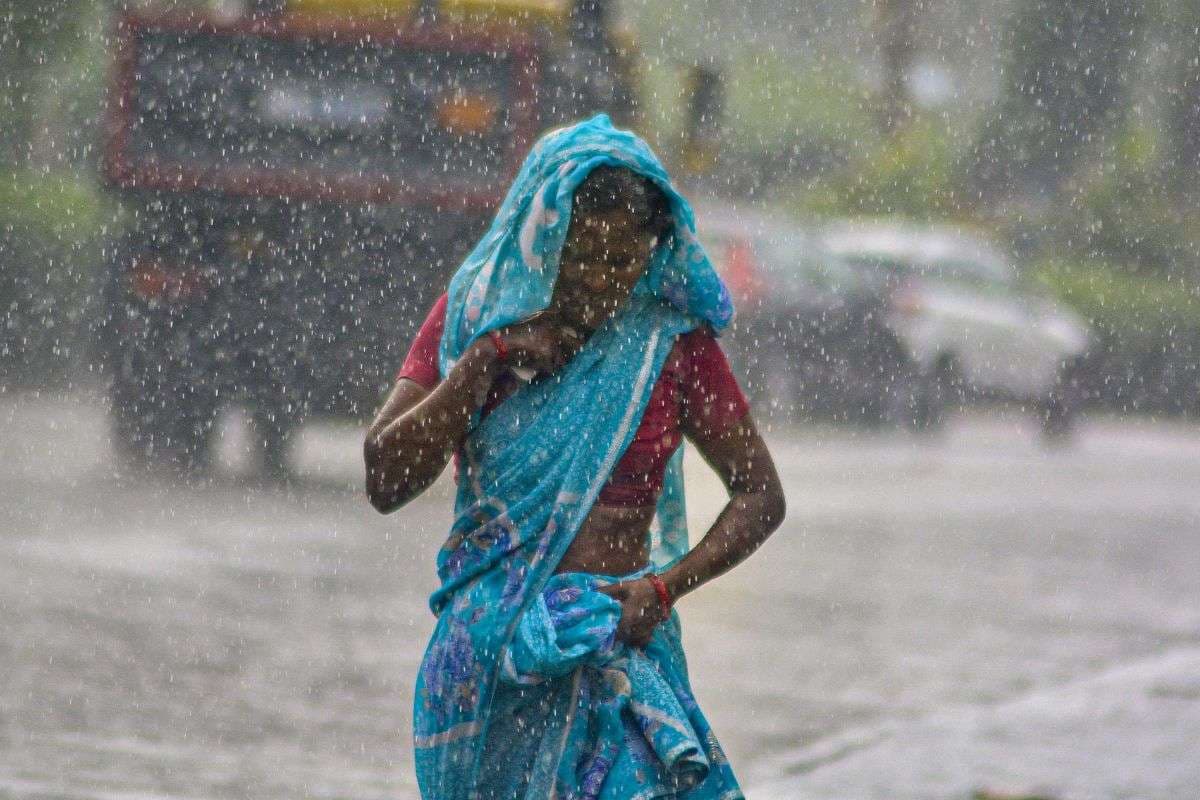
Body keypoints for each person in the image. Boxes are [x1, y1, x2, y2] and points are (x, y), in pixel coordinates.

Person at [364, 114, 785, 800]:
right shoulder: (476, 316)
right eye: (578, 255)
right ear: (544, 233)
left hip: (616, 652)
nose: (597, 281)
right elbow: (384, 476)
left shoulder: (669, 344)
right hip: (491, 663)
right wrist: (484, 363)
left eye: (620, 262)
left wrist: (664, 587)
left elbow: (761, 494)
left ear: (651, 252)